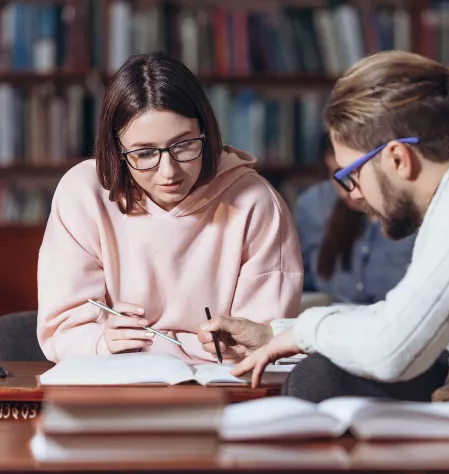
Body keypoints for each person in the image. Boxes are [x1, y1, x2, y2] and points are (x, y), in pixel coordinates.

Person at [201, 51, 449, 422]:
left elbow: (393, 348)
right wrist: (277, 332)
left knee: (319, 382)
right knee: (321, 378)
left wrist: (303, 333)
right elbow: (399, 318)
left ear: (397, 158)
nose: (352, 193)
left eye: (351, 175)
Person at [37, 52, 303, 363]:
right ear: (117, 149)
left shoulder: (255, 202)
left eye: (184, 145)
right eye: (145, 153)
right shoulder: (82, 193)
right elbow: (62, 332)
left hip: (220, 389)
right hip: (113, 385)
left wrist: (148, 344)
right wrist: (101, 341)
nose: (169, 171)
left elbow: (264, 343)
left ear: (207, 131)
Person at [294, 133, 416, 304]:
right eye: (339, 175)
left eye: (356, 174)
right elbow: (299, 286)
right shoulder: (313, 206)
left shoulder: (415, 208)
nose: (349, 191)